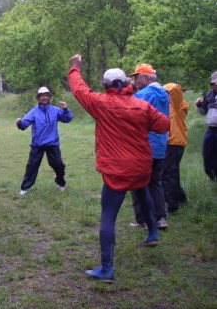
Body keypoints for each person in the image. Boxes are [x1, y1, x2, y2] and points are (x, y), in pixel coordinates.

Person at [67, 54, 169, 282]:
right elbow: (164, 125)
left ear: (106, 86)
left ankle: (106, 268)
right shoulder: (142, 106)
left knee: (108, 216)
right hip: (141, 166)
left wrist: (74, 67)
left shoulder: (100, 104)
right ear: (126, 83)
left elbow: (79, 89)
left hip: (116, 171)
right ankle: (152, 232)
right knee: (142, 192)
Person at [130, 63, 170, 230]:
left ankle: (143, 220)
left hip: (143, 145)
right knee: (155, 182)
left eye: (136, 76)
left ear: (145, 77)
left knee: (137, 182)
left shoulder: (142, 95)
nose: (135, 80)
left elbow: (132, 119)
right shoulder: (164, 94)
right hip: (160, 145)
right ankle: (161, 218)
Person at [16, 86, 73, 195]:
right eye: (42, 96)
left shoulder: (55, 110)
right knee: (32, 166)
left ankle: (60, 183)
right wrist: (19, 123)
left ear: (49, 97)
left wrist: (65, 109)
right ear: (38, 98)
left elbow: (67, 119)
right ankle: (25, 188)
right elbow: (24, 124)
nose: (45, 97)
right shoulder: (34, 112)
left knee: (59, 165)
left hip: (52, 143)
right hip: (37, 144)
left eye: (47, 95)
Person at [161, 83, 189, 213]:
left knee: (167, 174)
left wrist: (160, 88)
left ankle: (172, 205)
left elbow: (175, 88)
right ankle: (181, 198)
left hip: (175, 142)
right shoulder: (169, 106)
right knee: (172, 172)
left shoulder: (178, 105)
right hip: (171, 143)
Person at [195, 71, 217, 181]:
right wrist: (198, 105)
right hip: (211, 130)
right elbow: (203, 112)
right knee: (207, 154)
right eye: (214, 83)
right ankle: (212, 177)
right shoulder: (208, 94)